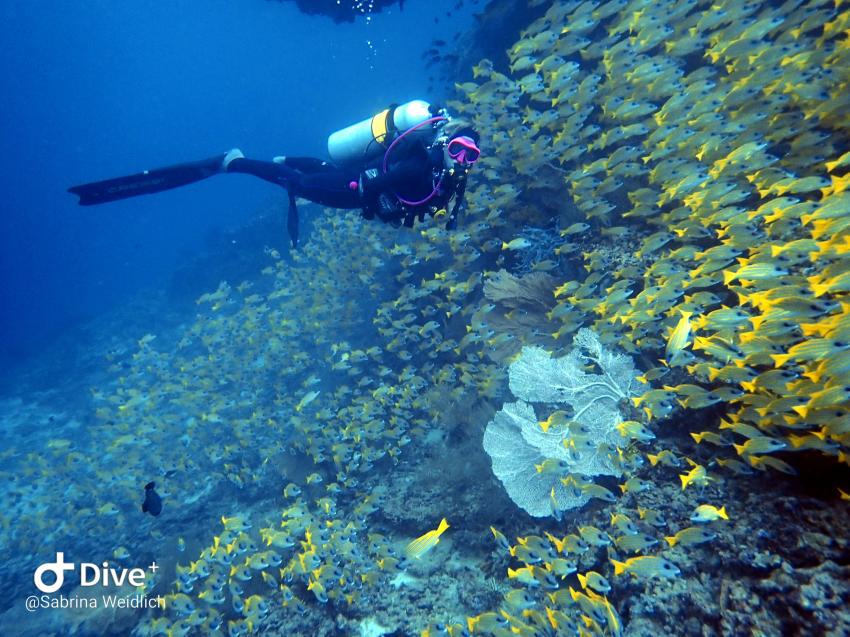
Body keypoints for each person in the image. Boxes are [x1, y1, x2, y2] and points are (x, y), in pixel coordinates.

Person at [68, 106, 480, 248]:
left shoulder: (450, 175)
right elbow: (377, 186)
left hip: (360, 180)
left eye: (471, 156)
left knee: (325, 171)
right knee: (301, 185)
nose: (463, 160)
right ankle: (234, 162)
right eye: (460, 150)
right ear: (446, 143)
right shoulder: (423, 163)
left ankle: (287, 158)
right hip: (360, 189)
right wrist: (370, 197)